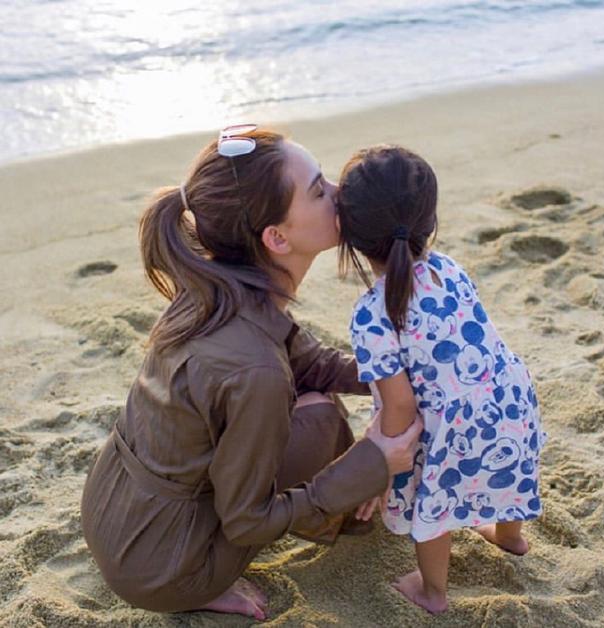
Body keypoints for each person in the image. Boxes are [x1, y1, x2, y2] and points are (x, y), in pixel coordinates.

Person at [80, 126, 423, 620]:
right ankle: (200, 584)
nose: (338, 194)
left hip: (114, 515)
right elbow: (248, 523)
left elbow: (311, 363)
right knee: (321, 418)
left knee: (313, 398)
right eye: (319, 190)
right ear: (277, 237)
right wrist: (373, 461)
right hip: (163, 569)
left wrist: (400, 371)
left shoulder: (214, 287)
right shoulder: (255, 368)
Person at [336, 145, 546, 614]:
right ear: (428, 221)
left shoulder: (372, 314)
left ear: (349, 236)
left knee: (436, 503)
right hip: (511, 397)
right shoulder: (450, 268)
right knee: (508, 463)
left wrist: (384, 466)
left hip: (453, 427)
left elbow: (401, 406)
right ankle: (510, 538)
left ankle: (432, 591)